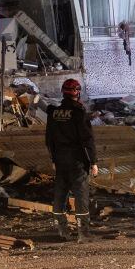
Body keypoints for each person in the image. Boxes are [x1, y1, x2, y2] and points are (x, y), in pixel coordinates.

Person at [45, 78, 97, 242]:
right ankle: (84, 233)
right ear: (77, 92)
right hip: (77, 159)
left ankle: (62, 230)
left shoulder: (53, 113)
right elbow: (87, 139)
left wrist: (53, 158)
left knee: (60, 193)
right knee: (81, 194)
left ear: (63, 92)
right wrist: (93, 162)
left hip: (60, 158)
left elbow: (49, 139)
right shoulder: (79, 113)